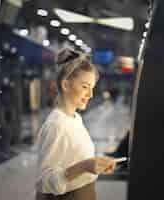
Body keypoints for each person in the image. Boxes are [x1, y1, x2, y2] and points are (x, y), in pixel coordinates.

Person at [35, 48, 116, 200]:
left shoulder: (75, 118)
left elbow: (73, 158)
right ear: (66, 85)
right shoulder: (56, 125)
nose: (90, 95)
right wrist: (84, 166)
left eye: (92, 88)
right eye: (85, 87)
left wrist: (95, 164)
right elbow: (44, 182)